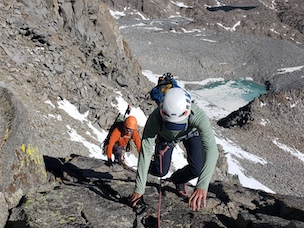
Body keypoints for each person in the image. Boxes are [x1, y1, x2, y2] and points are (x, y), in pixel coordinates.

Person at [130, 88, 219, 211]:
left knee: (197, 168)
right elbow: (145, 150)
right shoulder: (155, 118)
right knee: (160, 171)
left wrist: (202, 185)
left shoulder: (198, 115)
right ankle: (150, 168)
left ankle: (178, 179)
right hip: (167, 137)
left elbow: (212, 151)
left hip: (191, 133)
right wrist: (139, 189)